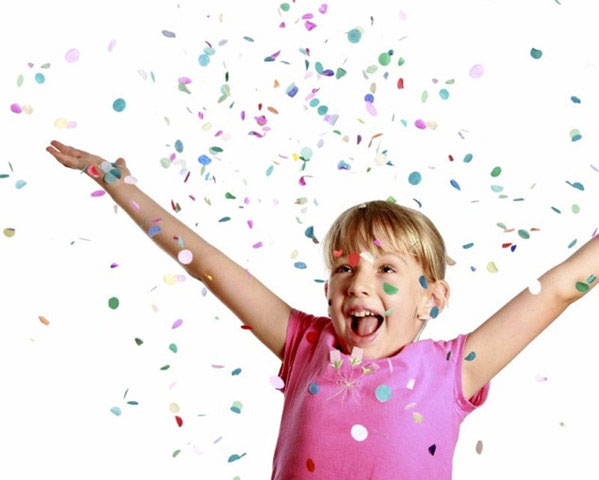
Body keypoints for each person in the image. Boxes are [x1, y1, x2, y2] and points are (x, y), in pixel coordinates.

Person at [46, 140, 598, 479]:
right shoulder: (307, 345)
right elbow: (205, 263)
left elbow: (555, 291)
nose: (359, 285)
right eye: (344, 269)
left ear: (432, 298)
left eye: (387, 269)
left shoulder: (454, 370)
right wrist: (119, 186)